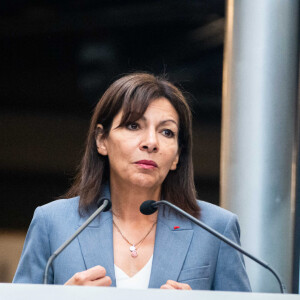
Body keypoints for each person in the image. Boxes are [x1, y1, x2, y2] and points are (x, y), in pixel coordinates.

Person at [13, 73, 251, 291]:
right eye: (133, 125)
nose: (151, 142)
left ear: (177, 155)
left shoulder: (216, 229)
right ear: (101, 140)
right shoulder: (52, 223)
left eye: (166, 132)